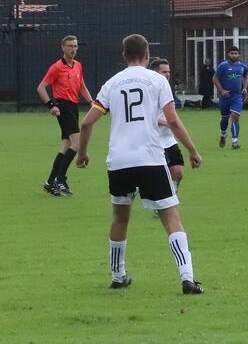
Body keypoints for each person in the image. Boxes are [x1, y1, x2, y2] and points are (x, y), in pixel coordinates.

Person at [76, 34, 204, 294]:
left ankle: (117, 275)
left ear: (124, 56)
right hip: (150, 158)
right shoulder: (158, 80)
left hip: (120, 161)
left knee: (120, 218)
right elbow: (173, 120)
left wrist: (82, 153)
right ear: (147, 56)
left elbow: (87, 122)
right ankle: (187, 277)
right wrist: (192, 150)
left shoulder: (112, 84)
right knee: (171, 218)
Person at [37, 35, 93, 196]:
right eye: (69, 46)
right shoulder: (56, 67)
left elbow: (82, 86)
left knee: (66, 146)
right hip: (63, 106)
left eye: (75, 46)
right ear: (63, 47)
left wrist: (91, 102)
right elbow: (41, 88)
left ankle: (50, 181)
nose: (73, 49)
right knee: (76, 144)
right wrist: (51, 105)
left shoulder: (78, 66)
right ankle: (60, 179)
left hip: (73, 107)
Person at [150, 59, 186, 219]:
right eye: (164, 72)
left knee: (178, 172)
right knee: (159, 176)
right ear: (155, 73)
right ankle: (162, 203)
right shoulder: (149, 90)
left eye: (169, 72)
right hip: (153, 140)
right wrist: (167, 122)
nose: (168, 75)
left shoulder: (166, 89)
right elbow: (146, 117)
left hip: (169, 139)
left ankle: (167, 198)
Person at [213, 46, 248, 149]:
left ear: (239, 55)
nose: (234, 55)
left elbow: (246, 76)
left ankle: (235, 141)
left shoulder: (243, 66)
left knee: (235, 116)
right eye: (232, 53)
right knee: (225, 118)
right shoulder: (223, 66)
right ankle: (223, 135)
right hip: (225, 96)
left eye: (236, 53)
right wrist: (222, 91)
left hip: (237, 96)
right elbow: (215, 78)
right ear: (228, 55)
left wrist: (245, 88)